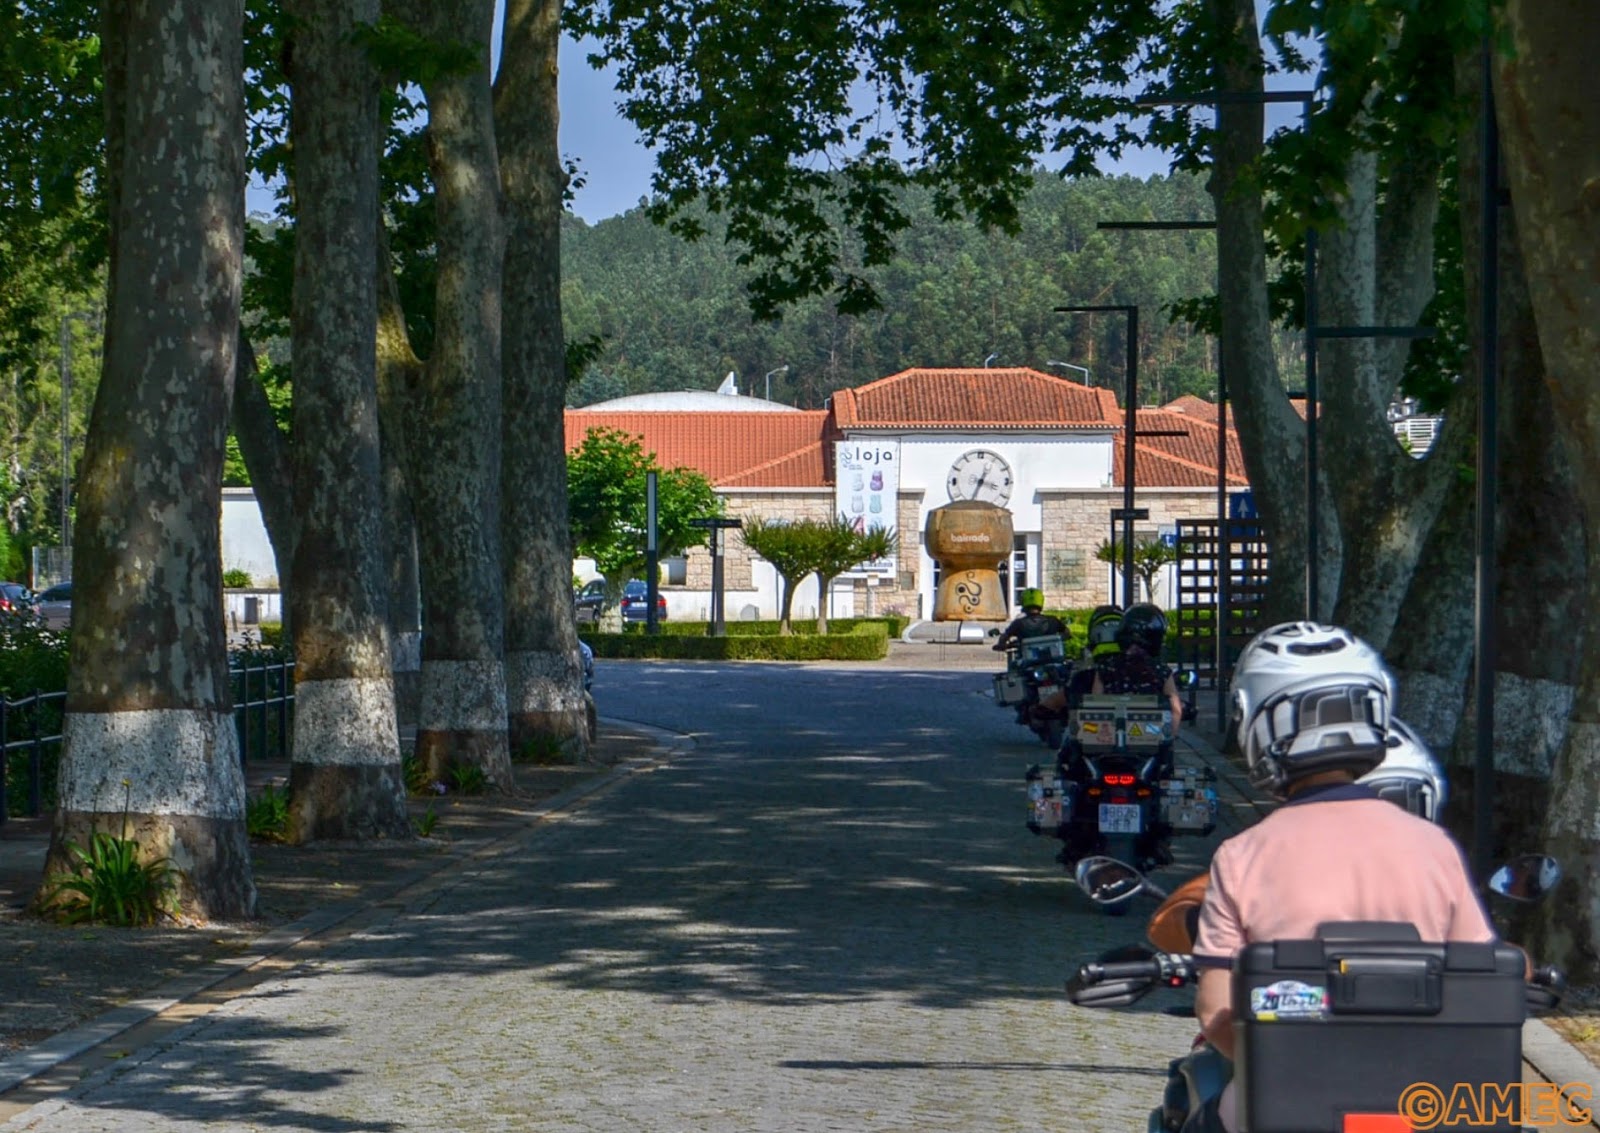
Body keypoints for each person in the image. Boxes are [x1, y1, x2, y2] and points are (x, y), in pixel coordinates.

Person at [1182, 621, 1501, 1133]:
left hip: (1290, 1100)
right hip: (1416, 1098)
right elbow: (1484, 976)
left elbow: (1215, 1006)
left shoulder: (1243, 855)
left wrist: (1272, 1066)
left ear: (1259, 722)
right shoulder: (1434, 846)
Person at [1090, 602, 1184, 735]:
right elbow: (1176, 710)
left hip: (1109, 737)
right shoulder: (1161, 671)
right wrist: (1169, 737)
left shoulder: (1105, 667)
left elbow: (1095, 704)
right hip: (1151, 737)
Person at [991, 588, 1067, 654]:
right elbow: (1067, 634)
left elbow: (1005, 637)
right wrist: (1056, 639)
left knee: (1015, 665)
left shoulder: (1018, 623)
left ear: (1023, 602)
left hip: (1026, 662)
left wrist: (1001, 645)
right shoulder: (1053, 621)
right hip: (1052, 660)